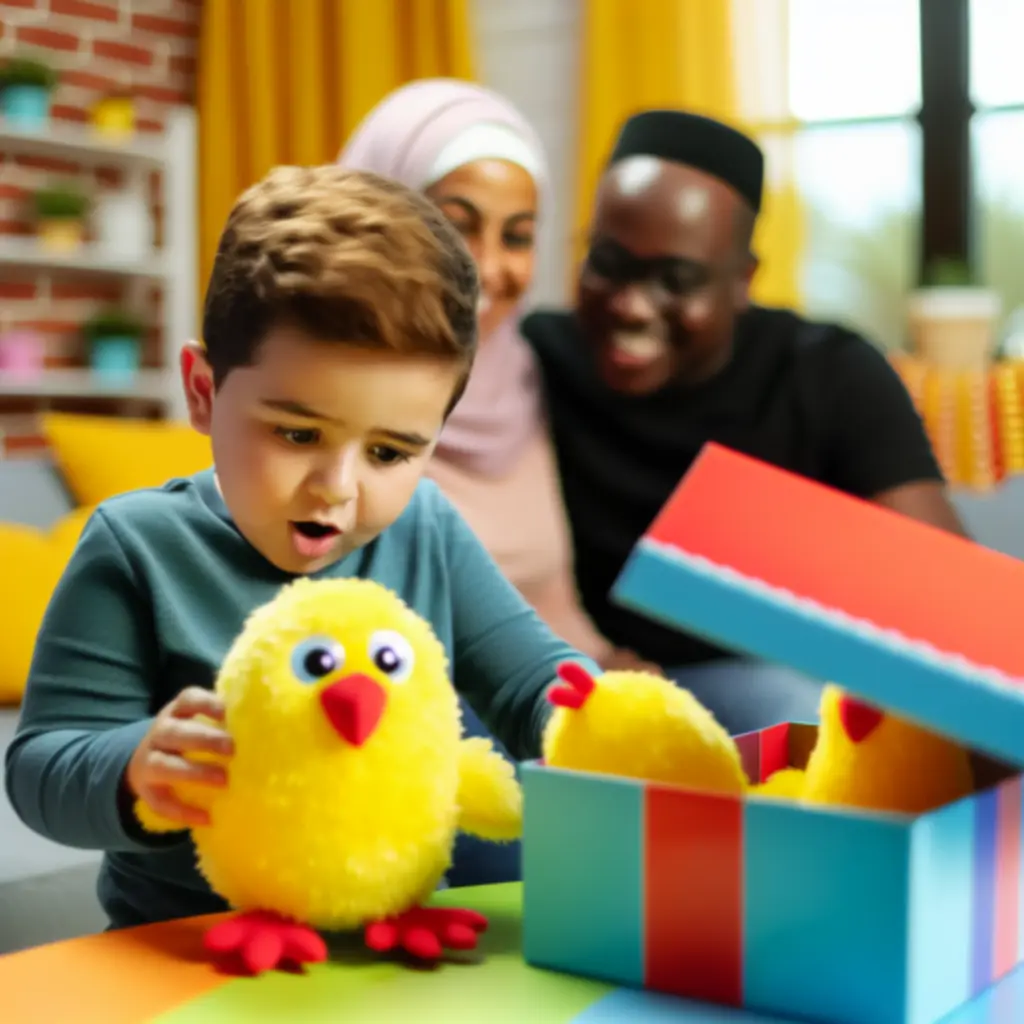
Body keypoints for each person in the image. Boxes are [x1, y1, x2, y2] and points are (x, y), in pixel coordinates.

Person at [5, 165, 598, 931]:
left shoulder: (426, 527)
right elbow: (41, 766)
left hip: (392, 940)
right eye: (296, 434)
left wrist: (603, 724)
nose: (337, 488)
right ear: (203, 391)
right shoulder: (136, 547)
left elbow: (535, 684)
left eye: (389, 453)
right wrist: (134, 767)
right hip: (188, 951)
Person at [522, 109, 968, 737]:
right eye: (608, 262)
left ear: (743, 281)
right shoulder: (535, 360)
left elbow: (947, 594)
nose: (631, 306)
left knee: (792, 708)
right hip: (575, 675)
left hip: (764, 680)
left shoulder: (828, 373)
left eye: (677, 280)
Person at [338, 80, 637, 886]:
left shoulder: (530, 377)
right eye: (456, 223)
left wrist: (608, 664)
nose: (490, 267)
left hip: (550, 687)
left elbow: (549, 592)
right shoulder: (321, 390)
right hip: (414, 711)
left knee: (762, 715)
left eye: (518, 236)